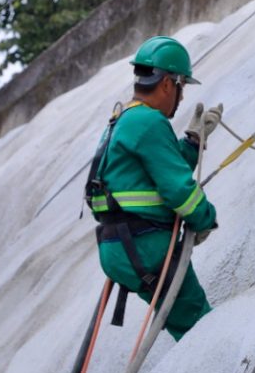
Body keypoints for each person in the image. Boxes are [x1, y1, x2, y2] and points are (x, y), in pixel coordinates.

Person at [89, 35, 222, 339]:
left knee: (183, 323)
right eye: (181, 87)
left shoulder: (123, 120)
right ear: (166, 84)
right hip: (145, 244)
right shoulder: (150, 122)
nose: (182, 97)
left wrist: (193, 142)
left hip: (118, 245)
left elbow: (157, 169)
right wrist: (205, 218)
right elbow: (177, 190)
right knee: (199, 327)